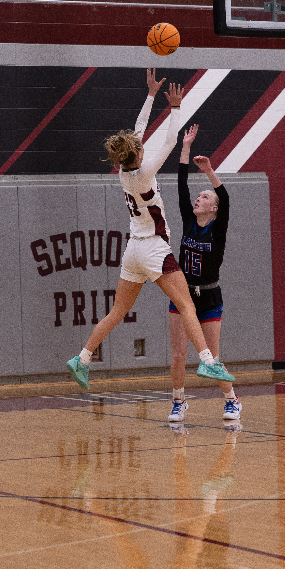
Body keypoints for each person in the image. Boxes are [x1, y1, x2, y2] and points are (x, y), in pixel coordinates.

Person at [66, 69, 235, 390]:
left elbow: (137, 131)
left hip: (133, 251)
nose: (143, 144)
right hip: (155, 249)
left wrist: (150, 95)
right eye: (140, 146)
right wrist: (175, 107)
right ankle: (209, 362)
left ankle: (82, 358)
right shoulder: (145, 172)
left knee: (117, 311)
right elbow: (170, 140)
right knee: (186, 305)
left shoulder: (124, 173)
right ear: (138, 154)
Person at [167, 124, 240, 422]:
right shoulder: (188, 220)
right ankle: (178, 401)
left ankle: (231, 399)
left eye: (205, 197)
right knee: (178, 355)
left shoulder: (217, 228)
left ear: (214, 208)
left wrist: (210, 170)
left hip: (209, 295)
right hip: (182, 293)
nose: (199, 198)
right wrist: (185, 147)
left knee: (213, 357)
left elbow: (226, 196)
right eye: (199, 196)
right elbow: (182, 182)